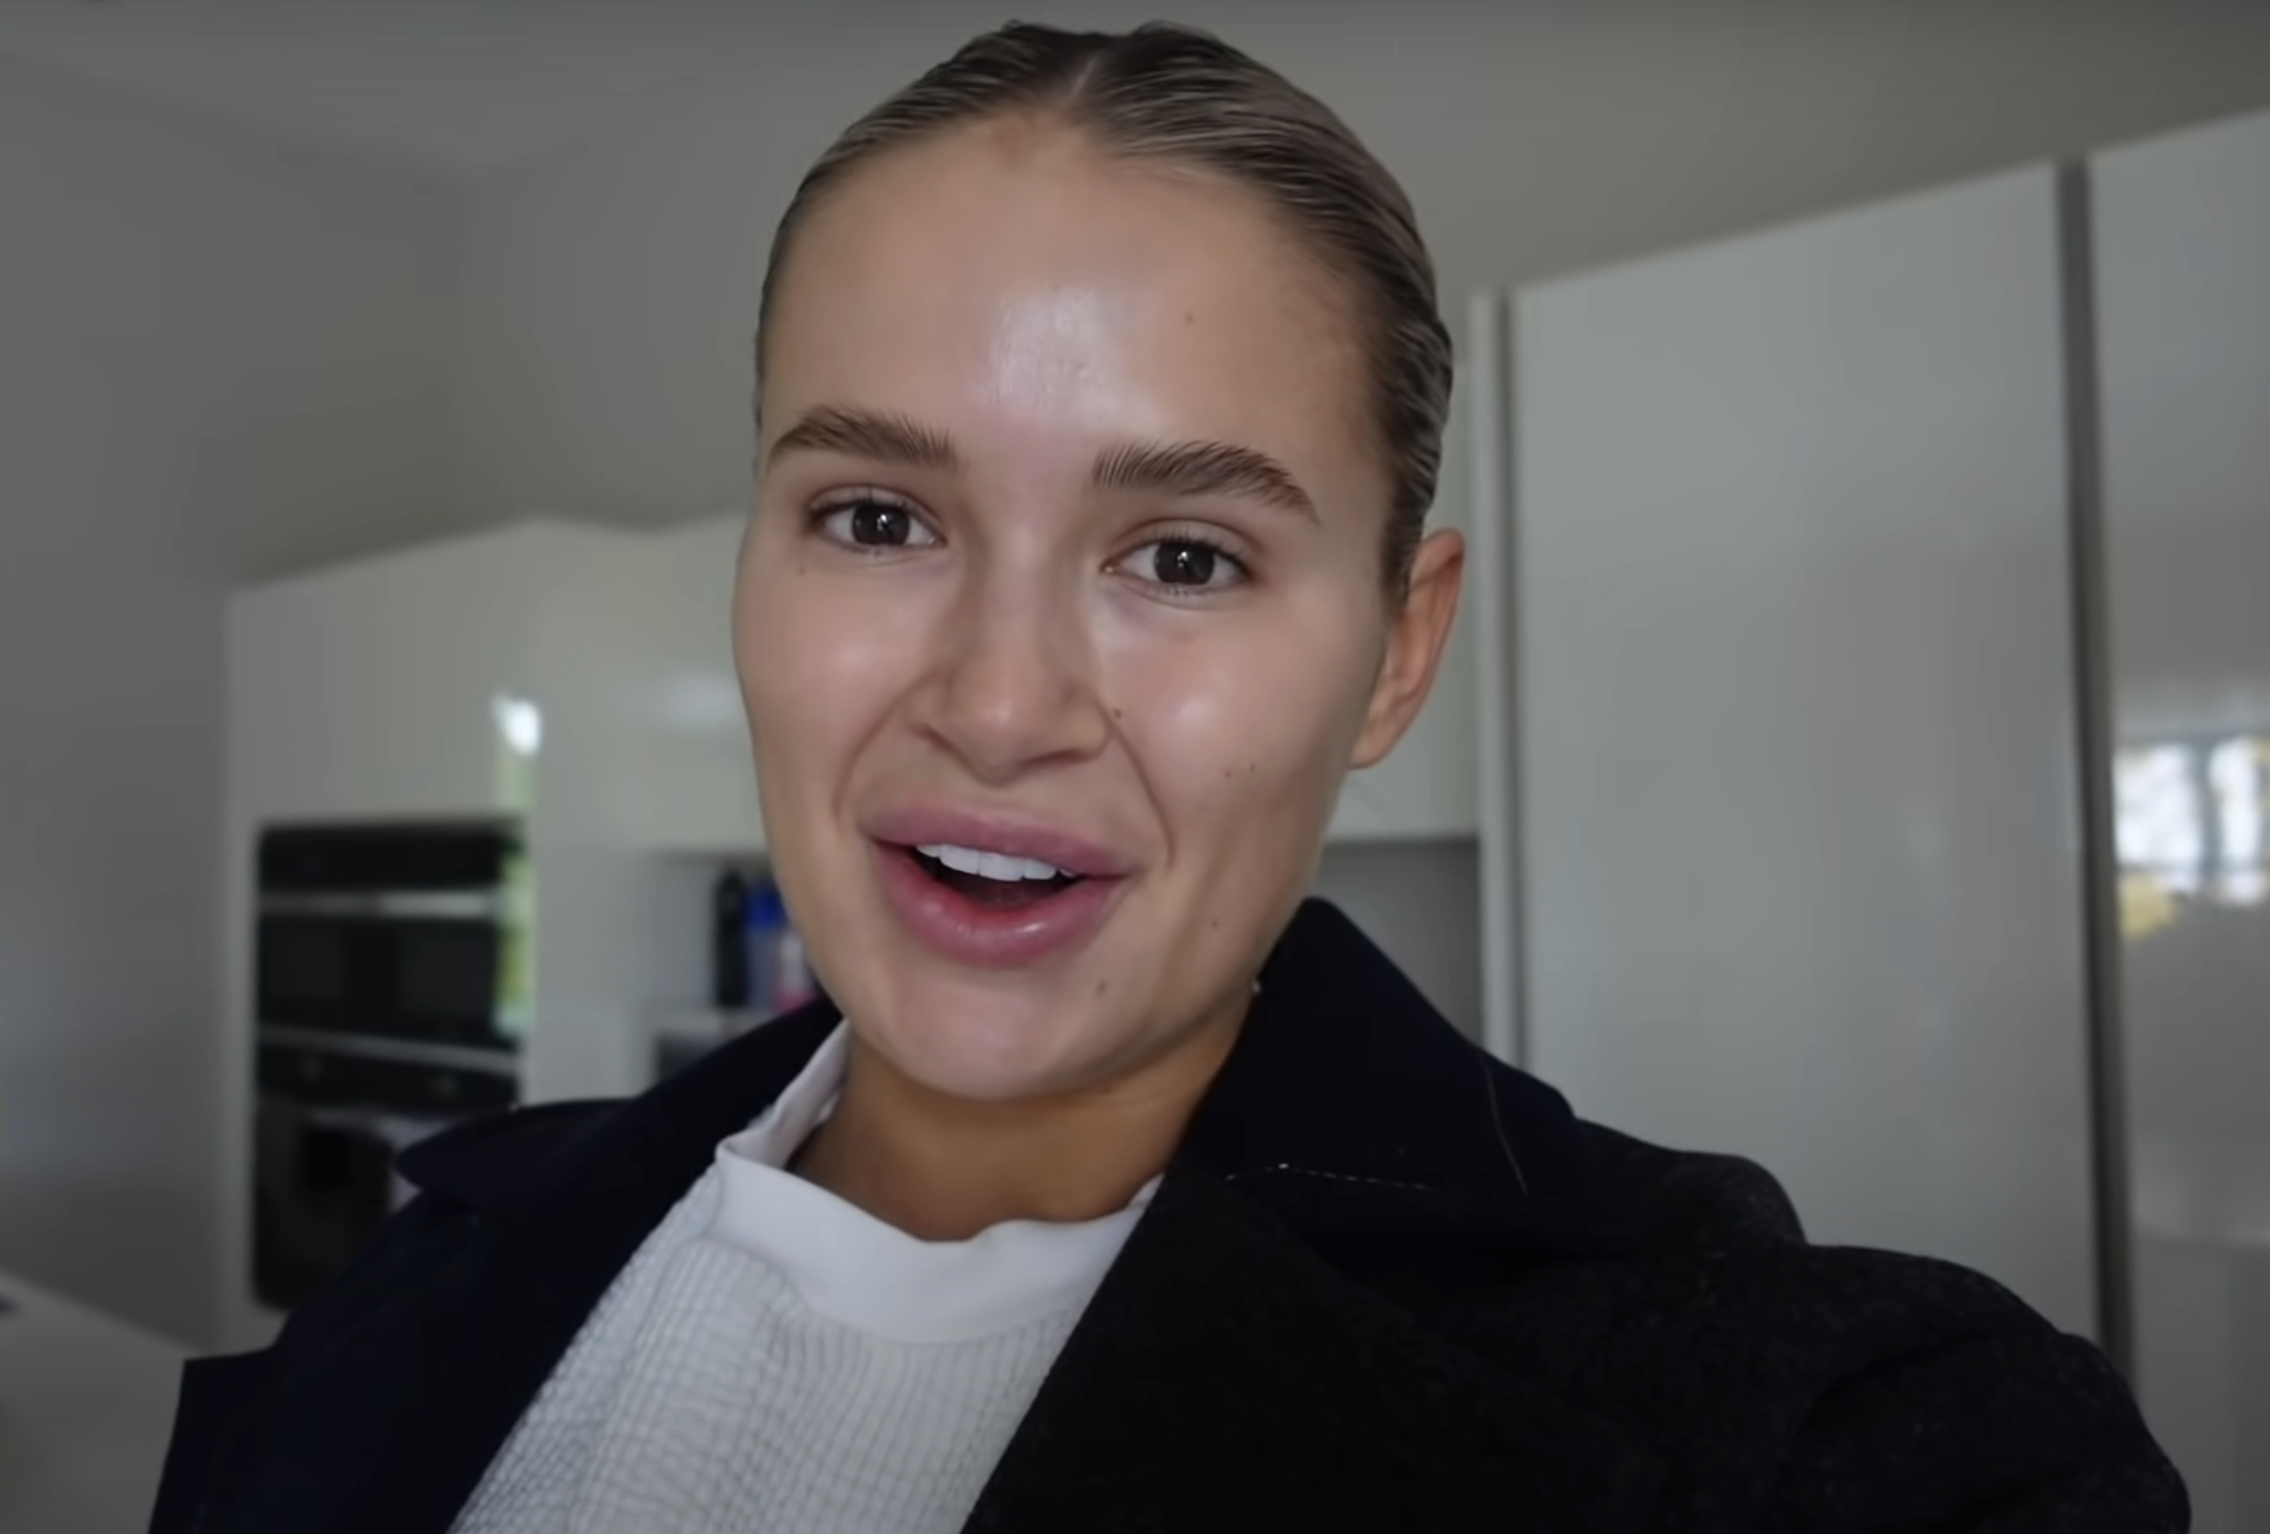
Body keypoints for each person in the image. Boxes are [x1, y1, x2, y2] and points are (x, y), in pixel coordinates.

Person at [150, 21, 2186, 1534]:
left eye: (1184, 556)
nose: (1004, 697)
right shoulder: (450, 1241)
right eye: (875, 516)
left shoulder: (1832, 1427)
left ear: (1394, 651)